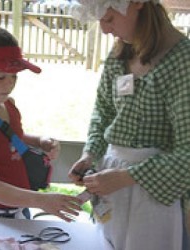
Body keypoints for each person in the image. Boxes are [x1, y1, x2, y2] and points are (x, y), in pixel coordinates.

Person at [69, 0, 190, 249]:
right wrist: (90, 154)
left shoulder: (181, 61)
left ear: (137, 4)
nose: (104, 29)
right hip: (113, 180)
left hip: (154, 189)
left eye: (110, 19)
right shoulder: (120, 55)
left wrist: (129, 176)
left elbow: (187, 152)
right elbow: (103, 111)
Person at [0, 25, 81, 222]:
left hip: (19, 210)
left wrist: (39, 141)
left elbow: (6, 140)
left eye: (14, 76)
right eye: (1, 76)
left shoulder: (7, 104)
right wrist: (42, 200)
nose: (10, 83)